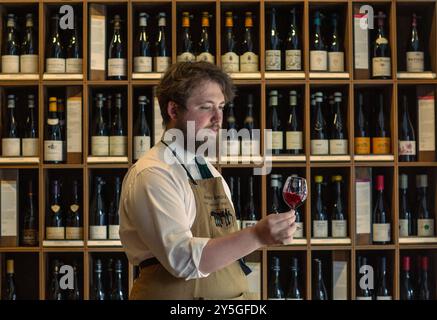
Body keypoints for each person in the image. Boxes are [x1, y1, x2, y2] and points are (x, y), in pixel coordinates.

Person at [119, 61, 297, 300]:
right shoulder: (154, 173)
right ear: (173, 111)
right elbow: (182, 260)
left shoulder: (211, 173)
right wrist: (257, 236)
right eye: (206, 107)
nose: (218, 118)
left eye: (221, 107)